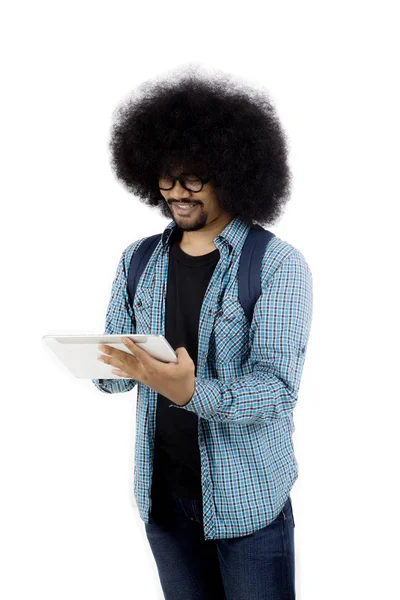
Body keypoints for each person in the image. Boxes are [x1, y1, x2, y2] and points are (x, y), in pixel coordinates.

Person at [92, 64, 313, 600]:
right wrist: (105, 367)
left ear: (234, 174)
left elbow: (277, 388)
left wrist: (190, 392)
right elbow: (117, 372)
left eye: (193, 178)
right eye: (166, 178)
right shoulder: (139, 258)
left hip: (247, 500)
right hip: (163, 498)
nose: (176, 192)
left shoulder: (276, 264)